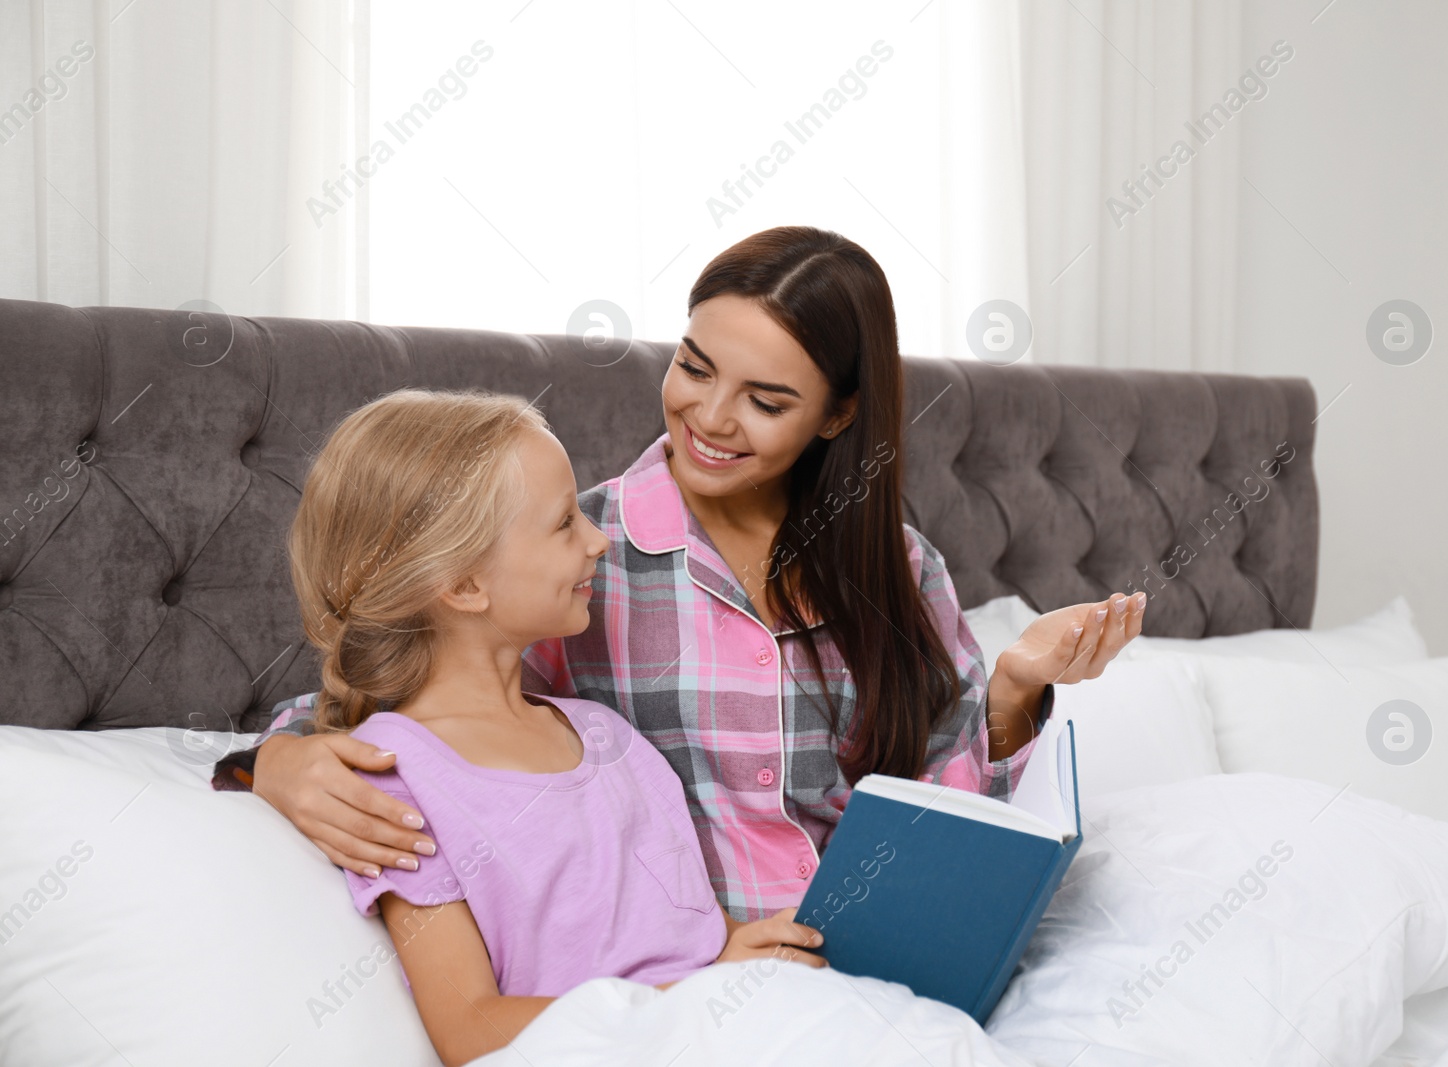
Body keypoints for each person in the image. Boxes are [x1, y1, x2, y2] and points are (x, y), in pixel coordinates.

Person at [214, 225, 1146, 921]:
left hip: (879, 949)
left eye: (766, 400)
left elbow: (944, 800)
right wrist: (280, 760)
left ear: (836, 415)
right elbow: (403, 696)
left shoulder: (896, 563)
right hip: (703, 974)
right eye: (695, 367)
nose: (710, 415)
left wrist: (1017, 684)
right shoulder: (578, 553)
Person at [284, 388, 825, 1067]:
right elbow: (471, 1027)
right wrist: (688, 996)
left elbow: (692, 941)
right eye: (564, 522)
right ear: (465, 585)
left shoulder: (610, 738)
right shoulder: (395, 777)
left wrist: (744, 953)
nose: (599, 539)